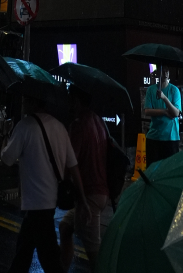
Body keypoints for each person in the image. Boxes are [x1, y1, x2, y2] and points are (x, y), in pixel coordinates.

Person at [1, 95, 90, 273]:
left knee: (46, 257)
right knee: (26, 250)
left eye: (25, 100)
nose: (23, 103)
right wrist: (83, 200)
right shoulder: (60, 127)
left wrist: (5, 134)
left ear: (34, 102)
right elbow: (73, 166)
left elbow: (7, 159)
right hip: (50, 201)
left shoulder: (25, 126)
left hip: (35, 202)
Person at [59, 88, 109, 271]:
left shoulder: (79, 125)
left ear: (78, 101)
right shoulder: (99, 121)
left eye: (71, 99)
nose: (69, 103)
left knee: (95, 255)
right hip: (101, 191)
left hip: (88, 195)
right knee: (65, 227)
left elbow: (71, 162)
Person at [143, 67, 182, 167]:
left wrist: (164, 98)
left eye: (166, 71)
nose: (165, 73)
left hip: (171, 137)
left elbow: (176, 113)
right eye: (162, 70)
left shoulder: (174, 90)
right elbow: (147, 111)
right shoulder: (151, 90)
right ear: (157, 73)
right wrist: (164, 112)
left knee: (170, 170)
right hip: (154, 137)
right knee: (153, 170)